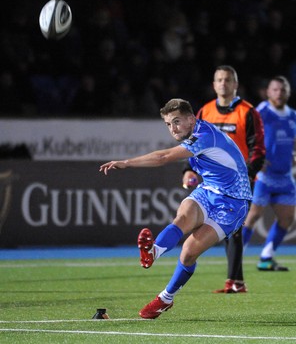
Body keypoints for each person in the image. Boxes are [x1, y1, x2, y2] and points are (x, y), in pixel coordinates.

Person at [100, 98, 252, 319]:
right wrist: (189, 172)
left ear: (191, 119)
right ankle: (154, 251)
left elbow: (163, 157)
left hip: (233, 203)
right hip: (208, 190)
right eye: (169, 124)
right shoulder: (195, 134)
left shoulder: (204, 136)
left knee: (189, 251)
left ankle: (165, 298)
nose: (173, 128)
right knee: (183, 217)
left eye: (177, 121)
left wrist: (127, 162)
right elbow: (200, 160)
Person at [182, 65, 265, 293]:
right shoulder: (205, 112)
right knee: (225, 230)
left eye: (228, 80)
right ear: (213, 84)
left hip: (240, 181)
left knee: (234, 229)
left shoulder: (248, 112)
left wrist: (248, 174)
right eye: (219, 80)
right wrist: (187, 170)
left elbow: (257, 148)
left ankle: (235, 282)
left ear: (235, 84)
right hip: (212, 182)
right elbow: (192, 145)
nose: (223, 84)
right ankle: (236, 282)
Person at [242, 76, 296, 271]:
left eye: (283, 90)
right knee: (253, 215)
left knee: (287, 218)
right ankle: (236, 257)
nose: (279, 93)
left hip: (284, 176)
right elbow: (246, 134)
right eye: (275, 90)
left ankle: (266, 257)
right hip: (264, 176)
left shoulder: (292, 115)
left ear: (288, 92)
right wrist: (254, 159)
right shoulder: (262, 111)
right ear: (268, 92)